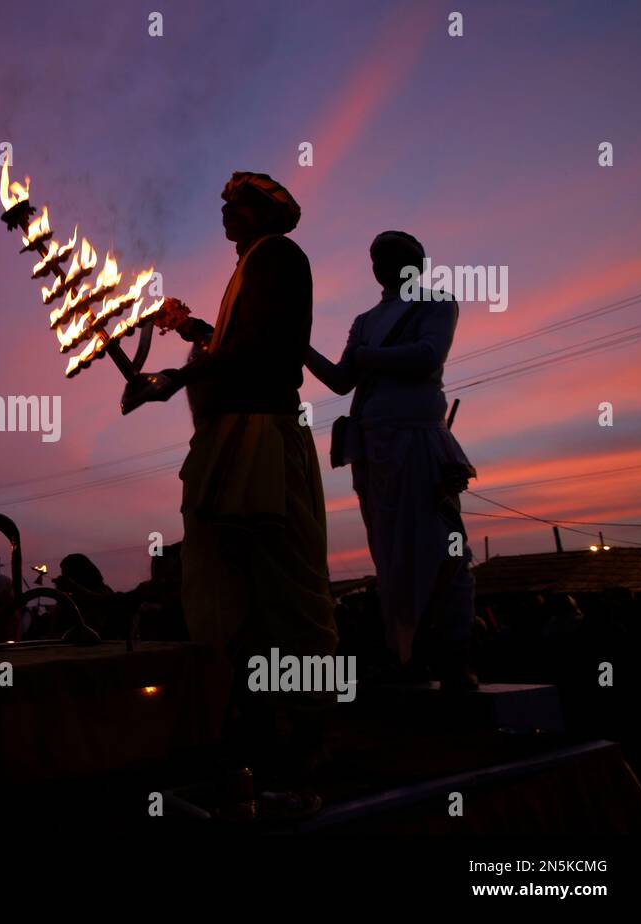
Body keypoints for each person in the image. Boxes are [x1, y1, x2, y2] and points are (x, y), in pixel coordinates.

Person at [135, 171, 339, 806]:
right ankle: (252, 760)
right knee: (238, 600)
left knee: (284, 601)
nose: (224, 211)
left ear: (261, 214)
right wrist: (194, 330)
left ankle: (299, 768)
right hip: (237, 439)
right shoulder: (255, 263)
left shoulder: (279, 256)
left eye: (235, 203)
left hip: (261, 442)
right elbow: (239, 343)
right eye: (222, 202)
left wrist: (174, 378)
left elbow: (261, 350)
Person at [305, 230, 478, 691]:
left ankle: (452, 656)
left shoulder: (436, 304)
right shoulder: (365, 321)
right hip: (375, 452)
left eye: (397, 256)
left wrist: (367, 357)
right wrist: (299, 347)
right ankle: (407, 658)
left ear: (418, 262)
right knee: (391, 558)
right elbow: (343, 381)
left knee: (441, 550)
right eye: (379, 257)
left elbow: (426, 357)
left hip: (419, 445)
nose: (385, 264)